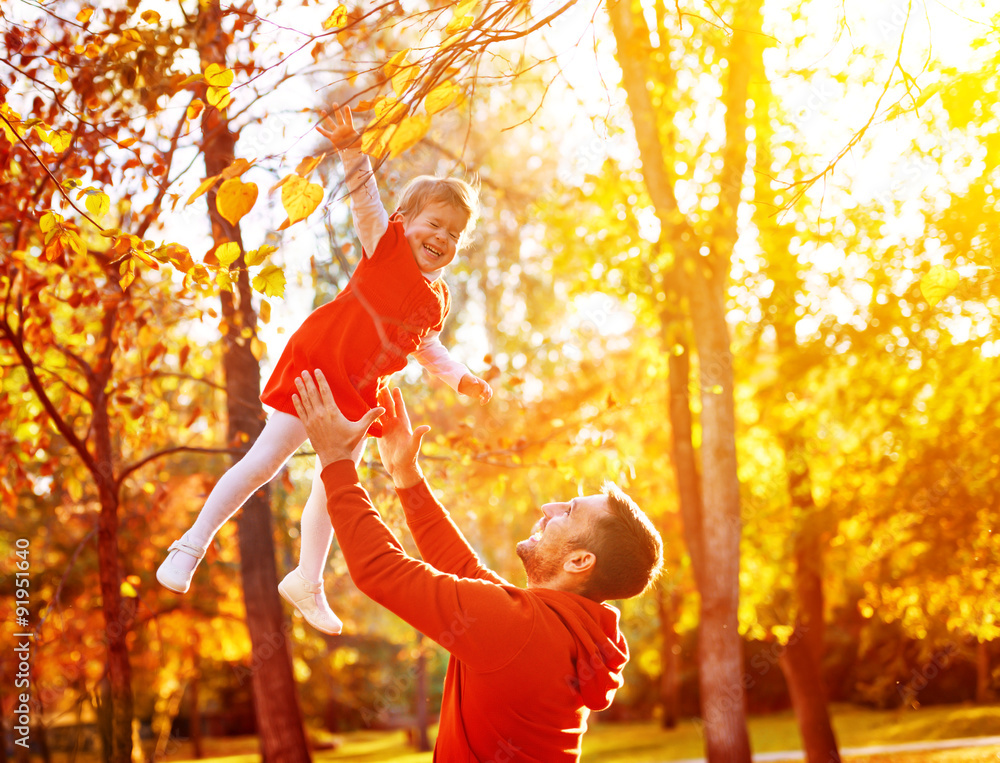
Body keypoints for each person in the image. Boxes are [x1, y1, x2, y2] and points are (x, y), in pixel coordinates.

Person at [156, 105, 493, 635]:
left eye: (453, 234)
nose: (442, 238)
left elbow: (430, 348)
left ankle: (306, 582)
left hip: (360, 393)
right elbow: (366, 205)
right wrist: (351, 150)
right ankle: (190, 546)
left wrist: (462, 378)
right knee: (266, 460)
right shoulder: (385, 250)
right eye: (434, 224)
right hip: (321, 369)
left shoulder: (436, 297)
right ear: (406, 224)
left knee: (335, 484)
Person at [291, 369, 663, 761]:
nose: (548, 508)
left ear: (579, 561)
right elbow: (463, 568)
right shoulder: (561, 630)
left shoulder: (521, 627)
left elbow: (381, 570)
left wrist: (335, 462)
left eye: (568, 512)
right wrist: (405, 475)